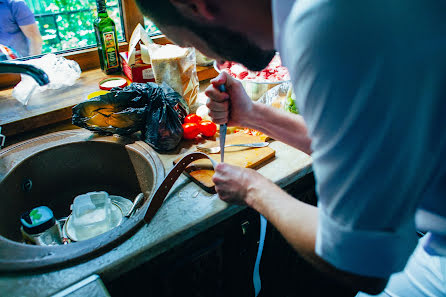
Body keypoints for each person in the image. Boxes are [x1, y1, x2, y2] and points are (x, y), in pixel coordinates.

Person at [135, 0, 446, 296]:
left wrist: (253, 189)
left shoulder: (322, 26)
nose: (216, 62)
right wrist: (251, 114)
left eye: (192, 43)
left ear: (196, 5)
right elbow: (364, 147)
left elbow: (362, 265)